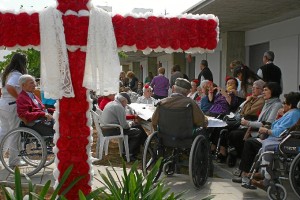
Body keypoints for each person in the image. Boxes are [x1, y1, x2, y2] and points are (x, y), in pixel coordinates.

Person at [231, 83, 283, 185]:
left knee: (248, 142)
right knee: (237, 136)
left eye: (266, 90)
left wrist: (248, 123)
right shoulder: (267, 103)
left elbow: (268, 123)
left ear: (273, 91)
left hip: (267, 133)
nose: (263, 92)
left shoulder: (276, 105)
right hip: (259, 130)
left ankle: (245, 173)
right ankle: (245, 171)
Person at [251, 92, 300, 190]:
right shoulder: (291, 113)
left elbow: (279, 131)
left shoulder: (293, 114)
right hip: (285, 138)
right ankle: (263, 173)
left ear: (290, 105)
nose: (282, 105)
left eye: (284, 103)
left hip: (288, 140)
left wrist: (266, 130)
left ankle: (266, 179)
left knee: (268, 146)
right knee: (265, 143)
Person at [226, 80, 265, 166]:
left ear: (262, 90)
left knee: (234, 134)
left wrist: (248, 102)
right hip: (244, 123)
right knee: (226, 129)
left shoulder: (261, 100)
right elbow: (242, 110)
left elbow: (248, 112)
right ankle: (231, 152)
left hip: (252, 126)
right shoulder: (252, 98)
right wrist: (247, 101)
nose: (253, 90)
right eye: (253, 88)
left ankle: (237, 154)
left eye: (256, 88)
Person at [102, 92, 147, 161]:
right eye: (126, 103)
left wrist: (131, 123)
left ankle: (133, 150)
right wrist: (131, 123)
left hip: (105, 128)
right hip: (111, 130)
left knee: (137, 127)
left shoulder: (112, 103)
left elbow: (121, 120)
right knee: (138, 132)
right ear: (123, 101)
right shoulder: (119, 107)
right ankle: (129, 154)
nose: (126, 105)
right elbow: (124, 126)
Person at [0, 53, 27, 167]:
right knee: (15, 133)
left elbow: (4, 88)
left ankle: (2, 157)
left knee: (5, 132)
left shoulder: (7, 74)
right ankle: (14, 160)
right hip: (11, 105)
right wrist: (18, 98)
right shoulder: (17, 75)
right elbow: (10, 87)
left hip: (3, 104)